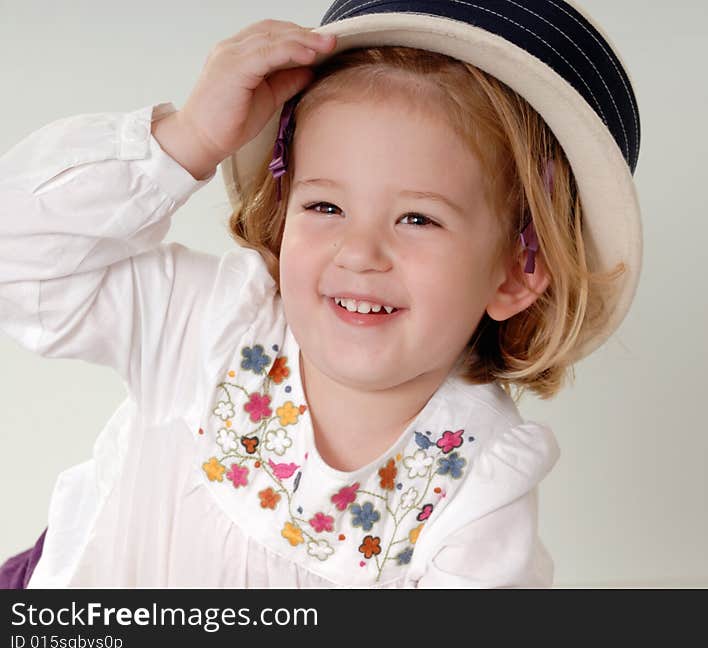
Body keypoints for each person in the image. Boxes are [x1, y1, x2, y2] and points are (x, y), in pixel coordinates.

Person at [0, 0, 642, 587]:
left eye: (418, 218)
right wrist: (187, 141)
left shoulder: (475, 485)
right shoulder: (207, 321)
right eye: (326, 204)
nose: (359, 252)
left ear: (516, 271)